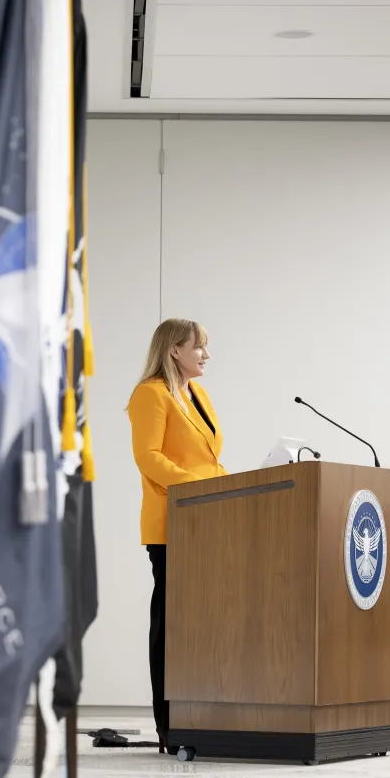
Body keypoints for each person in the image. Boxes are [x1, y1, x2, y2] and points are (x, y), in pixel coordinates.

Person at [126, 318, 226, 755]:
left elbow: (208, 455)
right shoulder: (150, 394)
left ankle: (204, 716)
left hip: (208, 518)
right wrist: (195, 487)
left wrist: (226, 488)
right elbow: (148, 458)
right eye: (198, 347)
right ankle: (169, 725)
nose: (205, 354)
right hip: (174, 524)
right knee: (171, 625)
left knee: (204, 623)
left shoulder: (198, 394)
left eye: (205, 347)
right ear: (173, 351)